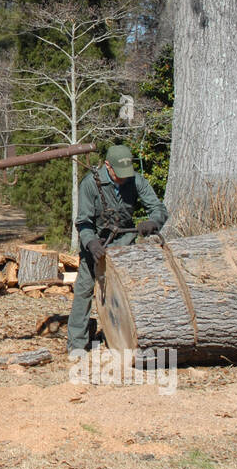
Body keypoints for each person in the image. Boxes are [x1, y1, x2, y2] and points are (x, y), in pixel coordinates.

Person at [66, 144, 168, 353]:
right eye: (118, 174)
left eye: (126, 173)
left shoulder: (136, 180)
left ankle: (134, 340)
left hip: (125, 246)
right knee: (84, 291)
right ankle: (76, 345)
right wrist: (91, 243)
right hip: (96, 246)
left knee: (132, 293)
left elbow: (158, 208)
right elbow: (83, 222)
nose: (123, 178)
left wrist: (153, 222)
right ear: (107, 166)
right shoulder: (90, 184)